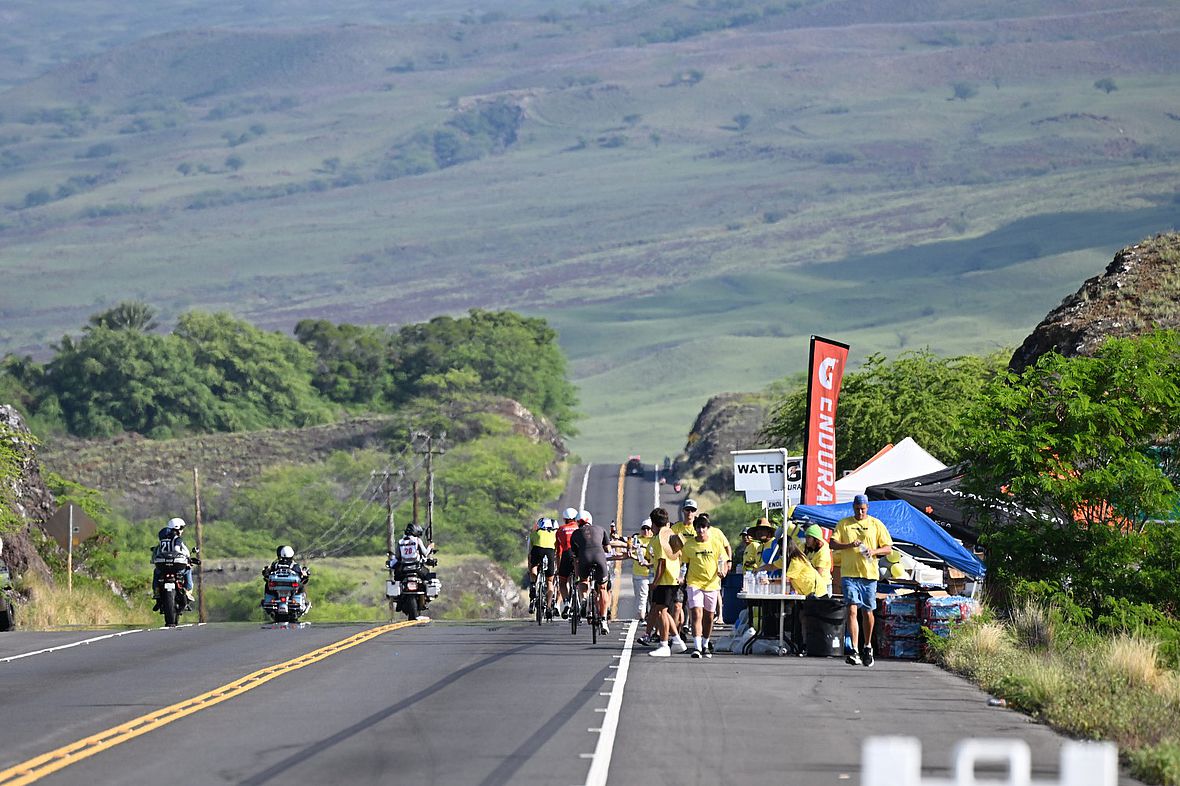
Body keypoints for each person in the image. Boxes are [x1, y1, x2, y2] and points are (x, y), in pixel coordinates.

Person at [830, 494, 893, 667]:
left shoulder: (875, 524)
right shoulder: (844, 523)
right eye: (857, 509)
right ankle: (855, 650)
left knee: (867, 612)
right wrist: (849, 545)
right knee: (851, 610)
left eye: (863, 509)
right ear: (853, 507)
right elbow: (832, 543)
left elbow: (888, 548)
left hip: (869, 575)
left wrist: (874, 551)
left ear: (867, 508)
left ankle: (867, 646)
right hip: (849, 574)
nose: (860, 512)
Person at [680, 513, 730, 658]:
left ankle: (705, 644)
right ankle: (696, 647)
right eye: (698, 527)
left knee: (708, 617)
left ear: (707, 528)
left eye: (703, 527)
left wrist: (724, 571)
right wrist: (681, 577)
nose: (701, 530)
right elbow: (684, 564)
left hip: (711, 584)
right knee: (696, 614)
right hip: (694, 583)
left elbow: (724, 561)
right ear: (695, 529)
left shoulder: (715, 543)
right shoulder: (689, 545)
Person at [647, 507, 688, 657]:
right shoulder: (671, 534)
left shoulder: (659, 539)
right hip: (673, 578)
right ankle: (677, 640)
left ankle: (664, 644)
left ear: (654, 523)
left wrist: (655, 582)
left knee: (661, 611)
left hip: (665, 580)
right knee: (662, 611)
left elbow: (662, 564)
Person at [569, 509, 611, 635]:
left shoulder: (575, 534)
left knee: (583, 580)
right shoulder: (600, 529)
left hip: (584, 558)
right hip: (599, 557)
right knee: (602, 588)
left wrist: (578, 577)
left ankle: (584, 598)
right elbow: (608, 549)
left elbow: (576, 558)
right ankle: (603, 620)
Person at [151, 517, 196, 609]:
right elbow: (181, 551)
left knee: (156, 572)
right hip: (177, 567)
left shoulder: (162, 541)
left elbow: (156, 553)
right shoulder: (177, 540)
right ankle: (187, 591)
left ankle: (157, 592)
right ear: (177, 528)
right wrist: (188, 560)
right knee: (188, 570)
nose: (182, 531)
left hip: (163, 567)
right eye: (181, 528)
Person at [527, 516, 558, 615]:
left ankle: (533, 583)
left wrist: (530, 567)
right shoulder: (555, 534)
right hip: (550, 552)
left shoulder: (534, 533)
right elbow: (557, 553)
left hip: (537, 550)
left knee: (533, 567)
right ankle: (549, 607)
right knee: (549, 581)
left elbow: (529, 552)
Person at [554, 507, 581, 617]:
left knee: (562, 581)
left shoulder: (560, 530)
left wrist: (559, 566)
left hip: (566, 554)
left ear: (564, 519)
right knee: (583, 580)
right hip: (579, 555)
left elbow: (558, 551)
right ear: (575, 519)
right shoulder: (579, 528)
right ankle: (584, 602)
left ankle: (566, 603)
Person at [630, 520, 654, 628]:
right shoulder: (637, 539)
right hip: (640, 573)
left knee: (653, 598)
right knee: (642, 597)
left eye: (648, 528)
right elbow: (633, 553)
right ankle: (642, 618)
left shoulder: (655, 539)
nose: (646, 531)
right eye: (644, 528)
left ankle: (651, 616)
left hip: (653, 572)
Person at [801, 524, 833, 595]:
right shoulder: (806, 546)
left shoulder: (823, 551)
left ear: (816, 539)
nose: (806, 540)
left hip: (823, 585)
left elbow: (818, 573)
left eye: (809, 537)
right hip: (812, 584)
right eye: (806, 537)